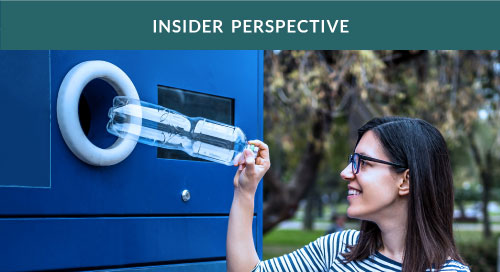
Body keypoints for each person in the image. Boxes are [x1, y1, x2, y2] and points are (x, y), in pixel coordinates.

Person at [226, 117, 470, 272]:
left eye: (362, 163)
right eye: (351, 161)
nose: (345, 173)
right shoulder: (338, 247)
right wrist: (246, 191)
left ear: (405, 180)